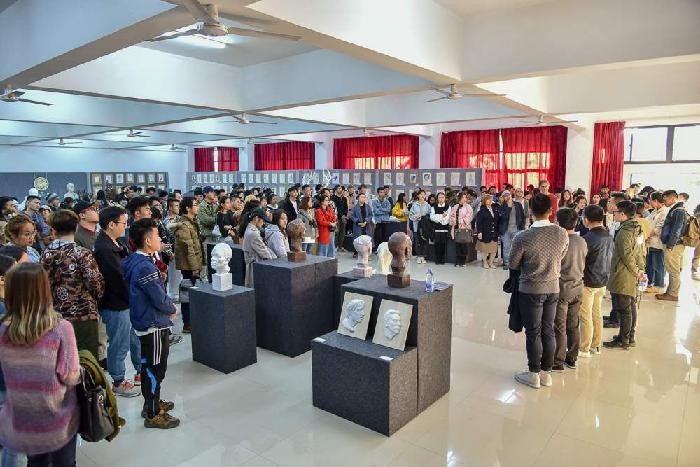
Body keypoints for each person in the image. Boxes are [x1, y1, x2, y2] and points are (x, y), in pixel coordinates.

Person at [0, 263, 80, 465]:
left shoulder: (3, 330)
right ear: (45, 289)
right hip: (57, 421)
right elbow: (70, 376)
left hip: (23, 421)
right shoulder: (60, 329)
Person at [122, 219, 179, 429]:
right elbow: (158, 297)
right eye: (157, 235)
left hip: (146, 321)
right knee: (155, 368)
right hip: (153, 323)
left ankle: (151, 402)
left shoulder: (135, 260)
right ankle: (153, 413)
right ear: (147, 241)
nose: (160, 238)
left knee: (149, 366)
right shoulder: (145, 267)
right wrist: (172, 309)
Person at [509, 193, 569, 389]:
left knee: (533, 332)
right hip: (553, 287)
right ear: (551, 211)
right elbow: (562, 255)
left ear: (531, 212)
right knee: (548, 329)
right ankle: (546, 374)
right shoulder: (562, 233)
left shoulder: (522, 237)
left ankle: (534, 374)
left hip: (530, 289)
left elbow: (513, 263)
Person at [41, 209, 105, 359]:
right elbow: (95, 284)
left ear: (53, 229)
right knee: (86, 359)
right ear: (76, 227)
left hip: (55, 315)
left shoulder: (45, 254)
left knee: (61, 359)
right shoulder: (82, 253)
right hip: (83, 315)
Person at [94, 206, 141, 398]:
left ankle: (140, 370)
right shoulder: (104, 249)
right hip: (116, 303)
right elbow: (117, 279)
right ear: (111, 224)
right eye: (123, 223)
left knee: (134, 338)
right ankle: (118, 380)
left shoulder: (118, 242)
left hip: (128, 300)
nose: (125, 226)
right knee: (119, 343)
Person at [604, 201, 646, 350]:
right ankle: (629, 336)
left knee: (624, 308)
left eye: (615, 212)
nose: (614, 214)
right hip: (632, 272)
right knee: (630, 305)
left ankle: (624, 339)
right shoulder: (637, 227)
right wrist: (640, 269)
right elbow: (640, 251)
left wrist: (636, 271)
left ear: (622, 214)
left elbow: (626, 255)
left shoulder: (624, 232)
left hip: (623, 273)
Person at [552, 208, 587, 371]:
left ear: (558, 223)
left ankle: (558, 361)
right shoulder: (582, 241)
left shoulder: (560, 242)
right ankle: (572, 358)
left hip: (562, 289)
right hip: (578, 287)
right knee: (573, 324)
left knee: (560, 325)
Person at [577, 204, 613, 357]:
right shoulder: (608, 235)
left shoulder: (587, 239)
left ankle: (584, 348)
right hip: (603, 279)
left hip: (589, 280)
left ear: (586, 219)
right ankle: (596, 345)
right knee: (596, 313)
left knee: (585, 315)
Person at [174, 198, 203, 334]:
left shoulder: (192, 222)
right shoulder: (184, 225)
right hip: (188, 266)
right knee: (187, 295)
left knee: (193, 293)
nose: (197, 207)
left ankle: (193, 320)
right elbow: (188, 249)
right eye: (195, 205)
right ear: (187, 208)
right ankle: (188, 323)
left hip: (193, 264)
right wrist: (194, 267)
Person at [656, 190, 687, 302]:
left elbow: (676, 230)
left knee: (674, 270)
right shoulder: (676, 209)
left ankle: (673, 294)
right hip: (673, 244)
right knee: (671, 269)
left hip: (674, 245)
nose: (664, 202)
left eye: (665, 199)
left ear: (673, 198)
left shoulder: (679, 211)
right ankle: (670, 292)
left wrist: (670, 245)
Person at [242, 208, 276, 288]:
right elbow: (265, 253)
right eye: (263, 220)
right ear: (256, 218)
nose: (263, 223)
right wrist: (275, 261)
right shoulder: (254, 233)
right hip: (256, 267)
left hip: (253, 265)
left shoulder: (249, 229)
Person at [644, 191, 669, 294]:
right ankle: (650, 283)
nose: (650, 202)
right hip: (650, 242)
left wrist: (648, 234)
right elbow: (647, 222)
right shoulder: (655, 211)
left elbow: (659, 228)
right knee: (649, 264)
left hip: (658, 243)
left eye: (651, 200)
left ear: (655, 200)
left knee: (658, 265)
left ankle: (659, 285)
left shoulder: (665, 212)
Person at [498, 190, 525, 270]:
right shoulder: (501, 207)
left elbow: (522, 216)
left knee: (516, 247)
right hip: (505, 230)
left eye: (508, 194)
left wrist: (522, 226)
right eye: (505, 195)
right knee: (506, 247)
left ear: (511, 195)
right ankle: (506, 263)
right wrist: (509, 207)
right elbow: (503, 218)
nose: (507, 196)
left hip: (517, 229)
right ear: (503, 198)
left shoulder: (518, 205)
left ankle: (516, 263)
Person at [163, 197, 182, 300]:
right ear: (170, 207)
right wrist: (169, 253)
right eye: (176, 206)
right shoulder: (167, 220)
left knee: (179, 275)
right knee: (174, 275)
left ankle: (178, 293)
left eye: (178, 206)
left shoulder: (179, 218)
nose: (178, 208)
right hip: (172, 251)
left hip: (181, 249)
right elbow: (166, 236)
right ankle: (174, 295)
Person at [449, 193, 474, 267]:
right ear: (459, 198)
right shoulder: (455, 206)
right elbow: (451, 215)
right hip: (456, 228)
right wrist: (454, 220)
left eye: (465, 197)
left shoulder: (468, 207)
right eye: (463, 197)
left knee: (464, 245)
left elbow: (469, 216)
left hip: (464, 228)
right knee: (457, 245)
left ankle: (463, 261)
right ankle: (457, 261)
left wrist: (461, 221)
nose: (464, 199)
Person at [474, 194, 499, 269]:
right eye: (488, 199)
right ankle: (485, 262)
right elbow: (479, 223)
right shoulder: (481, 211)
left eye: (491, 199)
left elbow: (497, 221)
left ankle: (491, 263)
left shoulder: (495, 209)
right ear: (484, 201)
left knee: (494, 250)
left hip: (494, 232)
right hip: (485, 232)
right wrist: (479, 232)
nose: (490, 200)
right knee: (484, 249)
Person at [409, 190, 431, 264]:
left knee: (425, 241)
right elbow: (410, 215)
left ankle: (423, 256)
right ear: (418, 196)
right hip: (416, 225)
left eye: (424, 194)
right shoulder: (414, 205)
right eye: (421, 194)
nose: (422, 196)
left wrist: (425, 218)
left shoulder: (427, 205)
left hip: (425, 227)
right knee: (417, 241)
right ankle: (419, 256)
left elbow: (430, 215)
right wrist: (415, 217)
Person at [430, 192, 450, 265]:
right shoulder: (433, 207)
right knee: (437, 244)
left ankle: (442, 259)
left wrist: (439, 217)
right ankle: (437, 259)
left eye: (442, 197)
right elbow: (432, 218)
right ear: (437, 199)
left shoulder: (448, 207)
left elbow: (447, 218)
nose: (441, 199)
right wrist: (442, 216)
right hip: (436, 229)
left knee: (443, 244)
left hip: (445, 228)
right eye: (439, 197)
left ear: (445, 198)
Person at [331, 186, 349, 252]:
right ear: (336, 190)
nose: (340, 189)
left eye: (341, 188)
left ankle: (340, 246)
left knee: (342, 232)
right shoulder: (333, 198)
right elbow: (335, 208)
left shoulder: (344, 198)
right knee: (336, 232)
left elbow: (346, 208)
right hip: (336, 218)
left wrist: (344, 215)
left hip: (343, 218)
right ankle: (335, 246)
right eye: (339, 188)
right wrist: (340, 215)